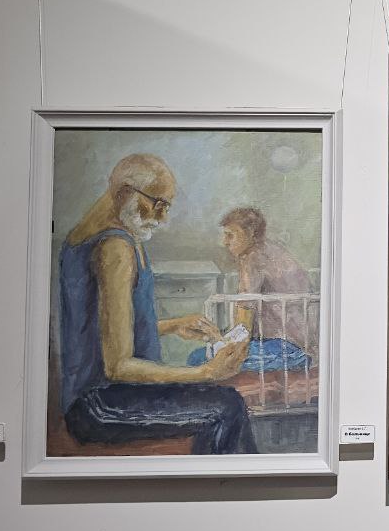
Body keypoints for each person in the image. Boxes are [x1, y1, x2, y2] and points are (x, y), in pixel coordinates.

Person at [58, 153, 257, 454]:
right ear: (126, 193)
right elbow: (117, 366)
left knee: (221, 399)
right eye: (158, 204)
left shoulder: (93, 238)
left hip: (108, 395)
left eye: (166, 207)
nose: (162, 218)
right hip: (99, 405)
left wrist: (172, 325)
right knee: (227, 406)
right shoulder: (115, 248)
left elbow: (103, 334)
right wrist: (206, 372)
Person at [187, 207, 312, 372]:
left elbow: (243, 328)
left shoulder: (252, 259)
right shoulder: (271, 251)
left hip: (285, 348)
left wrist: (218, 339)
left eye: (230, 235)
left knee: (198, 358)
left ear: (250, 233)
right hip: (301, 344)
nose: (224, 242)